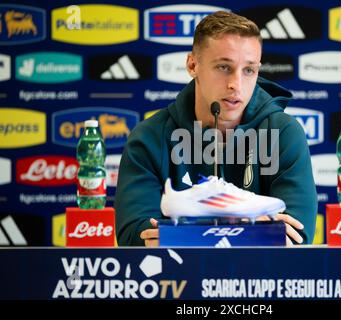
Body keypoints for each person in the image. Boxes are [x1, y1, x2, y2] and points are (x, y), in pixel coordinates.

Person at [115, 11, 317, 246]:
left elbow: (296, 233)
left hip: (260, 279)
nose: (236, 84)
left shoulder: (284, 133)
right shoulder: (149, 137)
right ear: (193, 65)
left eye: (249, 70)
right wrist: (256, 227)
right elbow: (134, 236)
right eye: (223, 67)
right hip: (179, 279)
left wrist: (180, 232)